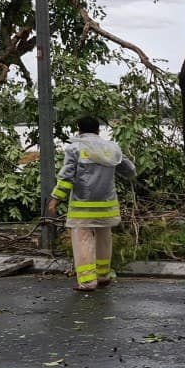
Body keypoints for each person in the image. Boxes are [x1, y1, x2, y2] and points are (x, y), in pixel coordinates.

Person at [47, 115, 136, 292]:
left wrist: (55, 199)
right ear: (98, 130)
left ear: (79, 130)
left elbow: (66, 177)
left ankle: (87, 282)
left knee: (83, 242)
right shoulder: (112, 148)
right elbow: (130, 170)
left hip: (83, 208)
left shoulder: (75, 148)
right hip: (107, 208)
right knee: (104, 240)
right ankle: (103, 277)